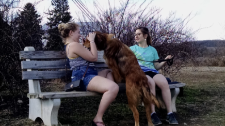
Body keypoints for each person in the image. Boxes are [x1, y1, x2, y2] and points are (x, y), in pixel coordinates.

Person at [58, 22, 119, 126]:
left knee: (109, 72)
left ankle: (109, 94)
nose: (80, 35)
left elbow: (88, 56)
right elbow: (94, 58)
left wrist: (86, 45)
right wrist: (91, 41)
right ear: (71, 33)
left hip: (88, 74)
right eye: (78, 32)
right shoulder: (74, 45)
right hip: (83, 77)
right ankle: (98, 119)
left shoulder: (72, 45)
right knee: (113, 87)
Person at [130, 27, 178, 125]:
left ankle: (170, 113)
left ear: (145, 36)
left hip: (152, 71)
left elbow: (156, 66)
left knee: (164, 82)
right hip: (140, 73)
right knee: (150, 82)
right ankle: (152, 114)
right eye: (135, 34)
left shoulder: (152, 50)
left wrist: (165, 60)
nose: (136, 36)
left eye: (139, 34)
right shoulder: (132, 49)